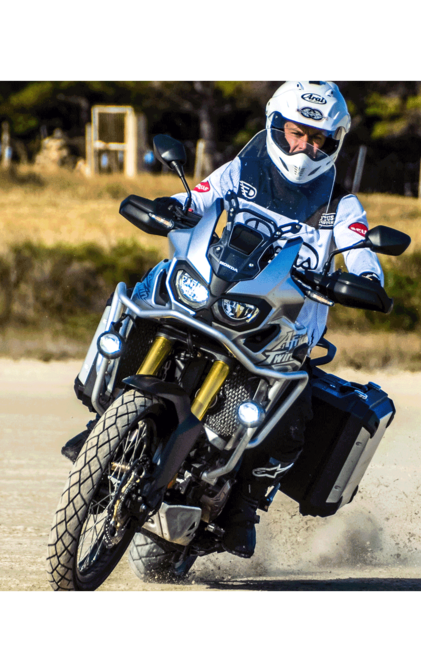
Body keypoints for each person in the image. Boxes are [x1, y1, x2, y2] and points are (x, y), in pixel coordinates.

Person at [62, 79, 384, 559]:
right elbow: (201, 199)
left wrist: (361, 280)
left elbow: (361, 255)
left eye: (320, 139)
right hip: (217, 297)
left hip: (282, 326)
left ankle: (244, 506)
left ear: (334, 143)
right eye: (298, 132)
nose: (306, 146)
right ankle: (106, 419)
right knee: (147, 296)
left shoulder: (341, 208)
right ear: (276, 125)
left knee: (293, 413)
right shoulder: (241, 170)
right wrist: (172, 207)